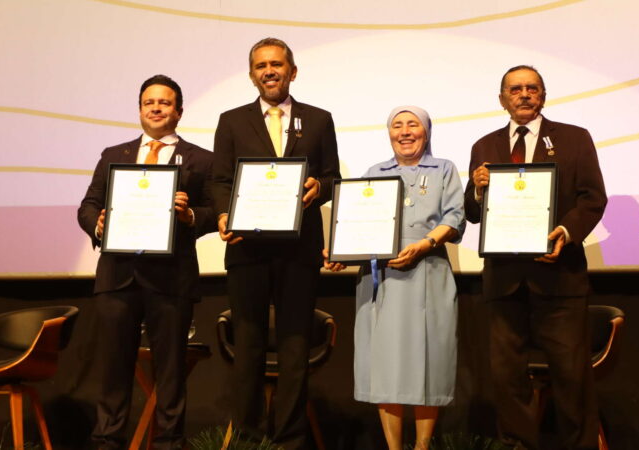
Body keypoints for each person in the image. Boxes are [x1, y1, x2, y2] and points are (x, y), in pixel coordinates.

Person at [464, 65, 607, 450]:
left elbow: (592, 199)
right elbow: (474, 213)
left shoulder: (575, 139)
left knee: (571, 378)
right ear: (502, 99)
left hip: (559, 277)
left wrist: (565, 232)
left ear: (543, 95)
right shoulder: (485, 146)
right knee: (507, 377)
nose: (524, 94)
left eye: (532, 88)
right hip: (504, 281)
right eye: (515, 89)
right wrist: (477, 190)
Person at [210, 37, 340, 449]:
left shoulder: (318, 119)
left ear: (292, 71)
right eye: (262, 65)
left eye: (277, 64)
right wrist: (222, 215)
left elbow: (334, 177)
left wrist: (320, 187)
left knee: (295, 347)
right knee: (247, 347)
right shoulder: (231, 121)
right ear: (252, 75)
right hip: (247, 249)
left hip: (300, 250)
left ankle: (289, 440)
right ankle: (247, 439)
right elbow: (220, 181)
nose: (270, 70)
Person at [77, 74, 216, 449]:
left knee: (170, 373)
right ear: (140, 109)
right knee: (112, 370)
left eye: (164, 103)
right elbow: (88, 206)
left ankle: (169, 443)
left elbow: (216, 211)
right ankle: (107, 441)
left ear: (179, 111)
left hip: (171, 279)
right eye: (149, 103)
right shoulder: (114, 155)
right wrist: (99, 224)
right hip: (117, 277)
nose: (156, 108)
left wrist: (190, 217)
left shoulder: (202, 160)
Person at [326, 106, 465, 450]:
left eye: (412, 124)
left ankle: (421, 446)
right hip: (382, 278)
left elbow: (456, 217)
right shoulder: (375, 172)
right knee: (386, 363)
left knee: (428, 360)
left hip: (429, 272)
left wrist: (425, 244)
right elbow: (360, 223)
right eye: (397, 125)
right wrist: (344, 253)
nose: (404, 132)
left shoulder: (444, 169)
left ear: (426, 131)